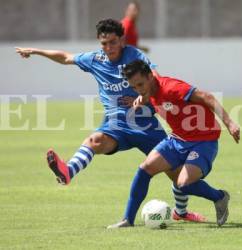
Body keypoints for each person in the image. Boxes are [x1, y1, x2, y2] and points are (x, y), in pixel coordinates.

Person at [15, 19, 206, 226]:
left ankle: (181, 211)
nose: (108, 48)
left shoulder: (135, 56)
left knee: (177, 175)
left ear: (122, 40)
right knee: (94, 140)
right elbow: (66, 57)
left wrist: (141, 100)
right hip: (116, 125)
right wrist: (35, 51)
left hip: (146, 126)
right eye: (104, 44)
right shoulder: (95, 59)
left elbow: (155, 80)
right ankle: (68, 171)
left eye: (113, 42)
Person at [108, 60, 240, 228]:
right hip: (177, 139)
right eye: (134, 87)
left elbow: (207, 97)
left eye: (141, 84)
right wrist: (142, 97)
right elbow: (151, 86)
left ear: (149, 77)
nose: (138, 90)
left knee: (183, 184)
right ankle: (128, 220)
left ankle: (220, 197)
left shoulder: (172, 88)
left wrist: (230, 123)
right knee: (145, 168)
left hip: (203, 141)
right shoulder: (149, 88)